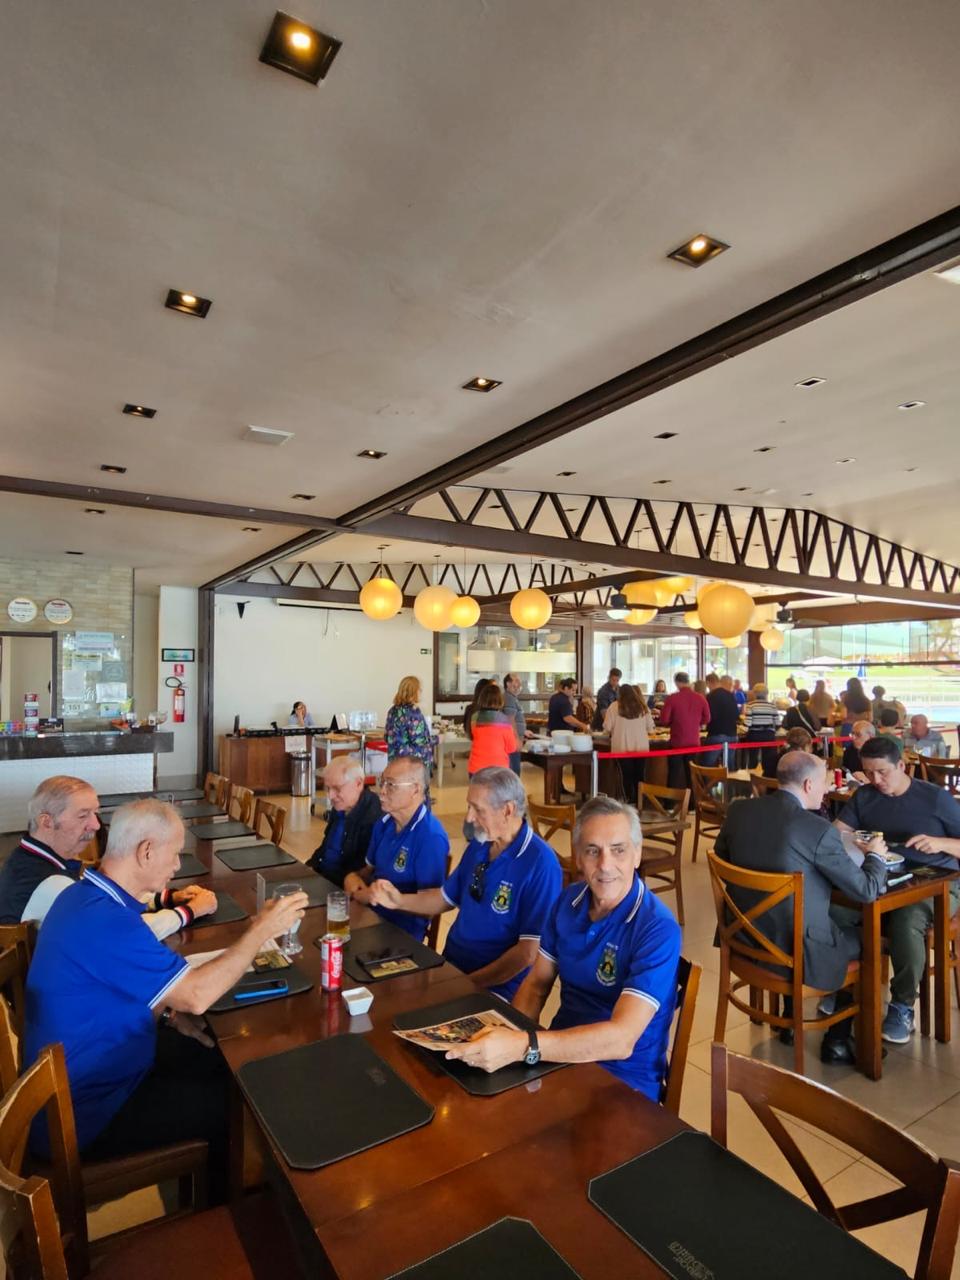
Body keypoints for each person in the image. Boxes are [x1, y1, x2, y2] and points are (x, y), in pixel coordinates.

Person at [23, 800, 306, 1200]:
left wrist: (165, 1014)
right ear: (146, 851)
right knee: (236, 1105)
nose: (176, 866)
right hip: (83, 1116)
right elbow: (197, 996)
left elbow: (114, 990)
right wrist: (260, 930)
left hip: (90, 1076)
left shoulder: (86, 897)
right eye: (174, 854)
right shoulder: (107, 920)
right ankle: (222, 1219)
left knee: (220, 1058)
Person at [443, 796, 680, 1102]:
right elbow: (536, 985)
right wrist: (511, 1039)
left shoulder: (657, 928)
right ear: (577, 857)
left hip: (623, 1083)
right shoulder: (569, 902)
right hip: (556, 1059)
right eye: (592, 851)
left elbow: (622, 1040)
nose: (605, 864)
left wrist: (523, 1046)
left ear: (637, 854)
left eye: (618, 850)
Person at [715, 751, 888, 1063]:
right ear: (809, 784)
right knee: (869, 939)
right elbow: (866, 891)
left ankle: (789, 1020)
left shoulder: (739, 811)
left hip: (744, 939)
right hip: (793, 952)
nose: (827, 790)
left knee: (800, 919)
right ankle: (837, 1039)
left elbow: (724, 858)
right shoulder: (817, 829)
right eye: (824, 783)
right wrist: (875, 855)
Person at [369, 768, 562, 1000]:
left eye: (478, 809)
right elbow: (444, 898)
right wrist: (398, 900)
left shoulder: (540, 862)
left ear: (508, 810)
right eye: (469, 807)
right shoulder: (481, 844)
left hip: (495, 988)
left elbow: (527, 954)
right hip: (452, 966)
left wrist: (467, 984)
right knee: (380, 991)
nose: (469, 818)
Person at [834, 735, 960, 1043]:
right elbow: (837, 833)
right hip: (884, 878)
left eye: (882, 772)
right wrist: (857, 842)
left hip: (940, 881)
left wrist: (941, 843)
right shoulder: (865, 795)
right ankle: (844, 988)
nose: (876, 780)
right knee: (836, 910)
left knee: (906, 921)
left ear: (901, 766)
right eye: (869, 773)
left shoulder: (935, 798)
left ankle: (902, 1006)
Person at [0, 776, 216, 935]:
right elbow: (126, 933)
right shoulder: (48, 882)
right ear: (46, 822)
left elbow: (105, 898)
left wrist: (164, 898)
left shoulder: (33, 859)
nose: (96, 825)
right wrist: (191, 911)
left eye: (96, 813)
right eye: (83, 816)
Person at [344, 757, 448, 941]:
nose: (382, 791)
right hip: (370, 914)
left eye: (391, 785)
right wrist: (354, 877)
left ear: (415, 789)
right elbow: (368, 871)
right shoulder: (383, 824)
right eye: (382, 782)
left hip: (401, 931)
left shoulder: (430, 837)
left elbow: (430, 908)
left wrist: (384, 898)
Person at [308, 756, 382, 886]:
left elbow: (360, 870)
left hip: (341, 885)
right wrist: (306, 869)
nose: (330, 796)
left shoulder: (374, 816)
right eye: (327, 788)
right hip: (322, 875)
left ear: (358, 783)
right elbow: (325, 848)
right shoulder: (342, 806)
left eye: (337, 788)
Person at [604, 683, 655, 805]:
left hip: (622, 747)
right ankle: (639, 800)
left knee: (625, 776)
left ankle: (628, 800)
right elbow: (651, 728)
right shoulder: (642, 707)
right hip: (641, 748)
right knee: (639, 775)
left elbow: (607, 728)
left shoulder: (614, 707)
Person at [659, 671, 709, 790]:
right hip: (694, 742)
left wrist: (673, 723)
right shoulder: (700, 698)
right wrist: (696, 723)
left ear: (677, 683)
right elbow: (707, 718)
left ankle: (671, 800)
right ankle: (693, 799)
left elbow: (664, 720)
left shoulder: (672, 698)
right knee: (691, 774)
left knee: (674, 774)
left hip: (677, 741)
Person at [385, 675, 434, 775]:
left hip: (395, 764)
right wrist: (437, 739)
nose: (421, 692)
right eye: (419, 689)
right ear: (414, 691)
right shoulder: (413, 713)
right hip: (413, 765)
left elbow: (387, 737)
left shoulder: (392, 711)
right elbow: (420, 741)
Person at [468, 684, 518, 774]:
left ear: (481, 699)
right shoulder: (505, 720)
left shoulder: (474, 717)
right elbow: (512, 748)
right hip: (498, 770)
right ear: (500, 700)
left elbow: (474, 736)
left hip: (476, 769)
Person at [742, 683, 782, 773]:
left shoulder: (751, 705)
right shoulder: (772, 706)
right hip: (769, 735)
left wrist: (742, 725)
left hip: (754, 735)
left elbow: (748, 723)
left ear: (755, 693)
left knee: (753, 759)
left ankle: (753, 776)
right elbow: (778, 724)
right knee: (768, 760)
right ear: (766, 693)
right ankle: (766, 777)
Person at [703, 673, 740, 766]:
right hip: (732, 734)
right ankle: (729, 776)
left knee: (707, 766)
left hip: (716, 734)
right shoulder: (731, 695)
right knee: (729, 766)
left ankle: (710, 777)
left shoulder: (711, 696)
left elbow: (709, 716)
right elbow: (737, 715)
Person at [502, 673, 530, 775]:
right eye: (516, 681)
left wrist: (524, 731)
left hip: (513, 738)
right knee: (514, 771)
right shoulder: (509, 698)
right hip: (512, 741)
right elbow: (510, 720)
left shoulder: (512, 697)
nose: (519, 684)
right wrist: (517, 739)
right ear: (508, 684)